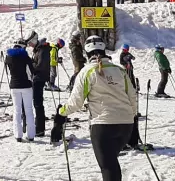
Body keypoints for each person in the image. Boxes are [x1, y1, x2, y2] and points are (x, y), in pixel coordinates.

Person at [57, 35, 138, 181]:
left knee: (108, 167)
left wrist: (61, 111)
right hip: (126, 125)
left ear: (87, 53)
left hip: (103, 125)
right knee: (112, 163)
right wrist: (131, 116)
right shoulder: (119, 70)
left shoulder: (87, 72)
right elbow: (132, 96)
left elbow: (76, 102)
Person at [5, 39, 36, 142]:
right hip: (26, 85)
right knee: (29, 110)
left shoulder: (8, 57)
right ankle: (31, 135)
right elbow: (32, 72)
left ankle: (18, 135)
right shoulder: (25, 57)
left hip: (14, 85)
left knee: (17, 110)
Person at [31, 38, 52, 135]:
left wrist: (31, 65)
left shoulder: (43, 51)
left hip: (39, 78)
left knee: (38, 103)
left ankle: (40, 128)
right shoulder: (40, 50)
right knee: (37, 103)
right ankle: (39, 126)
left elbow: (40, 66)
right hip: (38, 77)